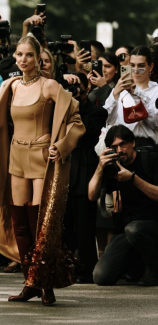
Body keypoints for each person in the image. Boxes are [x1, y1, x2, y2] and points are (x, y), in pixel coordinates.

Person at [0, 36, 85, 305]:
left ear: (38, 58)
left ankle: (46, 283)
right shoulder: (10, 86)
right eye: (19, 55)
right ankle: (30, 282)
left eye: (29, 55)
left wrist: (61, 146)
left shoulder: (49, 85)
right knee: (20, 224)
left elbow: (76, 120)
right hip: (16, 156)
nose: (23, 59)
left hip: (41, 157)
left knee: (40, 225)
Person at [89, 125, 158, 286]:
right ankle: (136, 266)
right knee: (101, 277)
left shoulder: (151, 159)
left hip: (153, 225)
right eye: (114, 147)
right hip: (127, 230)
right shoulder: (113, 166)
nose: (119, 150)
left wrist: (132, 178)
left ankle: (154, 269)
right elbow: (92, 195)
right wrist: (100, 167)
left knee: (134, 229)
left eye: (122, 145)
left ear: (133, 143)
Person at [63, 73, 108, 283]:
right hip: (64, 169)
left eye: (77, 87)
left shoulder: (97, 111)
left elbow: (87, 132)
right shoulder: (59, 109)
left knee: (84, 223)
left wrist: (74, 106)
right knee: (65, 223)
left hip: (84, 168)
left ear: (85, 88)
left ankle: (86, 268)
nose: (74, 91)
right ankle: (64, 266)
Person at [103, 46, 158, 147]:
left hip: (148, 149)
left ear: (150, 67)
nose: (136, 70)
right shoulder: (119, 89)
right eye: (132, 65)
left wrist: (138, 93)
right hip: (122, 149)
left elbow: (155, 124)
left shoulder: (156, 90)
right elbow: (108, 120)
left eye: (141, 66)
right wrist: (115, 94)